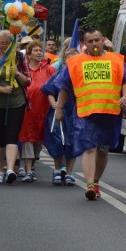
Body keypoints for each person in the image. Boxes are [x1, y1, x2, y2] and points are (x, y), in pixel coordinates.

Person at [54, 28, 126, 200]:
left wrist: (124, 96)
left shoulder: (115, 60)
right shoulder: (75, 62)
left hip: (109, 111)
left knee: (103, 150)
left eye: (97, 40)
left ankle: (95, 181)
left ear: (103, 40)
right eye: (90, 41)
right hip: (85, 112)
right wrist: (59, 108)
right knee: (89, 148)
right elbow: (65, 87)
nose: (94, 44)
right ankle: (90, 186)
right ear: (84, 44)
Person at [0, 30, 32, 184]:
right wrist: (1, 90)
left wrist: (16, 73)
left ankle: (10, 168)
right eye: (1, 43)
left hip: (16, 102)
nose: (3, 46)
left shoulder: (19, 56)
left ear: (12, 43)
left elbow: (28, 81)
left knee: (12, 135)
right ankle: (0, 171)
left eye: (6, 43)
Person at [43, 39, 80, 186]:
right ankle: (57, 170)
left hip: (76, 113)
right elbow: (48, 90)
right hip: (59, 112)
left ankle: (69, 173)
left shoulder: (82, 75)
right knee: (57, 140)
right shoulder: (59, 74)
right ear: (65, 59)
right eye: (70, 58)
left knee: (73, 142)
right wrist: (54, 105)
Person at [19, 41, 55, 182]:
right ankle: (28, 170)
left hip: (44, 111)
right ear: (28, 54)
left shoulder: (49, 69)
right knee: (27, 139)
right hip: (27, 110)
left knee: (38, 142)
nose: (39, 53)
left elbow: (55, 87)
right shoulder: (23, 69)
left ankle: (32, 165)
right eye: (35, 50)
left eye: (41, 50)